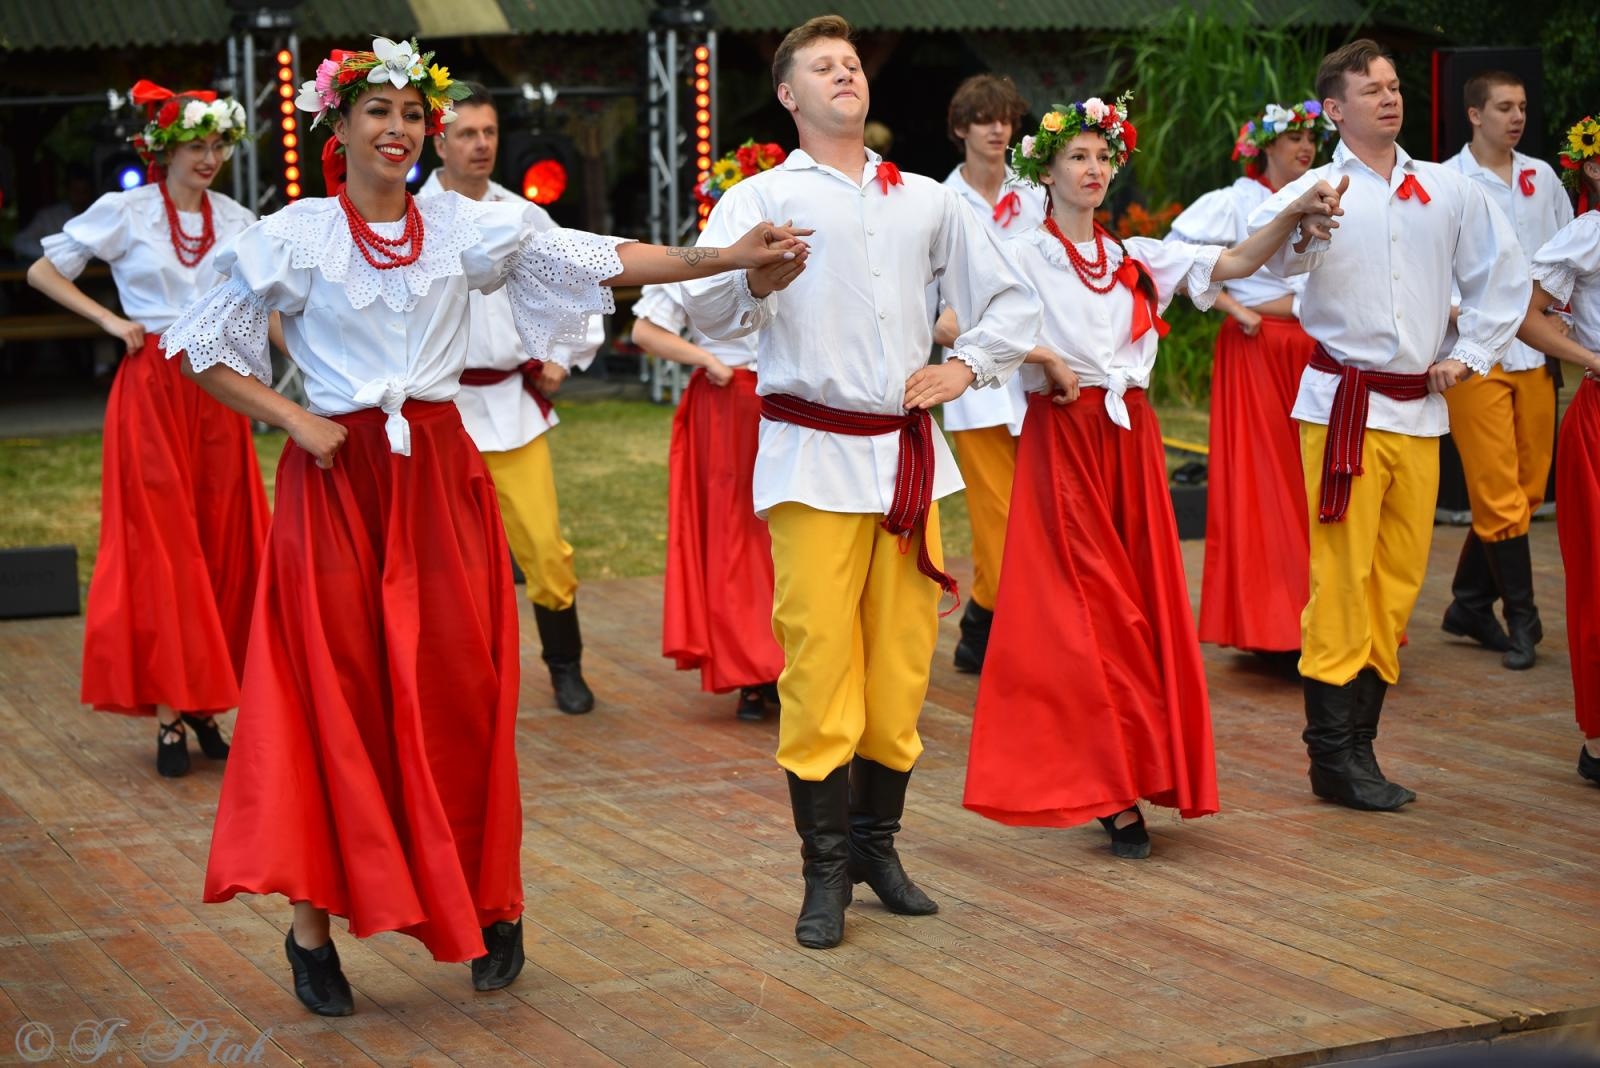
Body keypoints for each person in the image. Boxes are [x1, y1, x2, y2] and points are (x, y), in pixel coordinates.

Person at [160, 37, 808, 1015]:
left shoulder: (466, 228)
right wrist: (295, 419)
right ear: (337, 126)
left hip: (439, 475)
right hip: (335, 485)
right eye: (377, 112)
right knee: (329, 696)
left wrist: (724, 254)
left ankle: (491, 905)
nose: (398, 129)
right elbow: (198, 344)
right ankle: (310, 935)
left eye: (411, 114)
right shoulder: (294, 234)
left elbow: (602, 257)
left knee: (460, 691)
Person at [682, 15, 1040, 951]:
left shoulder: (926, 198)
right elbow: (704, 309)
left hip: (908, 460)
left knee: (901, 665)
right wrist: (754, 279)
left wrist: (966, 371)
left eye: (853, 64)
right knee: (817, 663)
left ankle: (879, 846)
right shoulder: (757, 196)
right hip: (810, 458)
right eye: (823, 67)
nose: (846, 73)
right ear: (790, 95)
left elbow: (1011, 299)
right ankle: (824, 870)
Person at [962, 94, 1344, 859]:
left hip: (1130, 446)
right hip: (1065, 440)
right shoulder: (1019, 251)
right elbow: (968, 324)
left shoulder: (1135, 256)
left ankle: (1133, 770)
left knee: (1140, 606)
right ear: (1048, 169)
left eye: (1103, 157)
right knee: (1097, 613)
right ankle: (1109, 787)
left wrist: (1294, 209)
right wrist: (1042, 357)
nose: (1094, 168)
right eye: (1078, 157)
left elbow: (1232, 261)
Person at [1247, 40, 1529, 812]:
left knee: (1398, 583)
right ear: (1335, 109)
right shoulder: (1314, 188)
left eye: (1394, 86)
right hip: (1344, 410)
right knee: (1341, 579)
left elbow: (1502, 278)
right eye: (1370, 90)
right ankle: (1331, 758)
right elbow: (1264, 271)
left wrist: (1470, 353)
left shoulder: (1446, 189)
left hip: (1420, 408)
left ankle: (1361, 747)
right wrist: (1304, 226)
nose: (1388, 98)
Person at [26, 81, 265, 778]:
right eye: (198, 144)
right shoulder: (127, 211)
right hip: (153, 383)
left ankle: (207, 704)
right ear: (164, 149)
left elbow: (271, 300)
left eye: (219, 143)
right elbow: (45, 270)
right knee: (165, 548)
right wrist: (110, 322)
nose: (211, 155)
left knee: (221, 540)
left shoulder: (238, 218)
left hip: (217, 386)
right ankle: (170, 712)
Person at [418, 81, 605, 714]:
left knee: (545, 549)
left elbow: (578, 278)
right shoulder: (406, 214)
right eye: (466, 133)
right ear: (437, 140)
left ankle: (565, 667)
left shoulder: (521, 214)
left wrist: (561, 353)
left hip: (511, 407)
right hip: (438, 415)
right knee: (445, 562)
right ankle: (456, 683)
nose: (480, 145)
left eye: (489, 133)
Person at [1168, 100, 1332, 662]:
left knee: (1318, 481)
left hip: (1314, 349)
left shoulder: (1329, 194)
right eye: (1291, 139)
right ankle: (1277, 627)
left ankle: (1328, 618)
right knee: (1269, 481)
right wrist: (1233, 308)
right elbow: (1173, 261)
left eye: (1310, 138)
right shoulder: (1234, 202)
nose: (1303, 148)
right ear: (1265, 146)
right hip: (1259, 349)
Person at [634, 140, 788, 721]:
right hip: (728, 403)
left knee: (786, 529)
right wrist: (709, 361)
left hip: (784, 398)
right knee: (736, 532)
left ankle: (790, 658)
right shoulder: (702, 255)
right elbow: (648, 331)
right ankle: (751, 669)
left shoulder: (794, 249)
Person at [1438, 71, 1574, 670]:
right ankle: (1526, 622)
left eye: (1522, 107)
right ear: (1474, 114)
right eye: (1503, 108)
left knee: (1528, 488)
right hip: (1475, 352)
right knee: (1496, 492)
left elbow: (1568, 251)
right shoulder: (1443, 180)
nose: (1516, 117)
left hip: (1534, 349)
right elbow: (1430, 262)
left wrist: (1566, 314)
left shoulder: (1542, 177)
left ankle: (1469, 601)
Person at [932, 73, 1044, 673]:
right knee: (997, 521)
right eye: (983, 118)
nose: (997, 128)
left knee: (1037, 517)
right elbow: (935, 314)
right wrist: (989, 341)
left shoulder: (1035, 193)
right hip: (976, 384)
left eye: (1004, 117)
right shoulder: (941, 203)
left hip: (1040, 382)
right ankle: (998, 629)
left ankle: (982, 623)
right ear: (960, 129)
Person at [1519, 114, 1600, 782]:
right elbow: (1528, 315)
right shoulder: (1588, 234)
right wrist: (1592, 359)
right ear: (1594, 168)